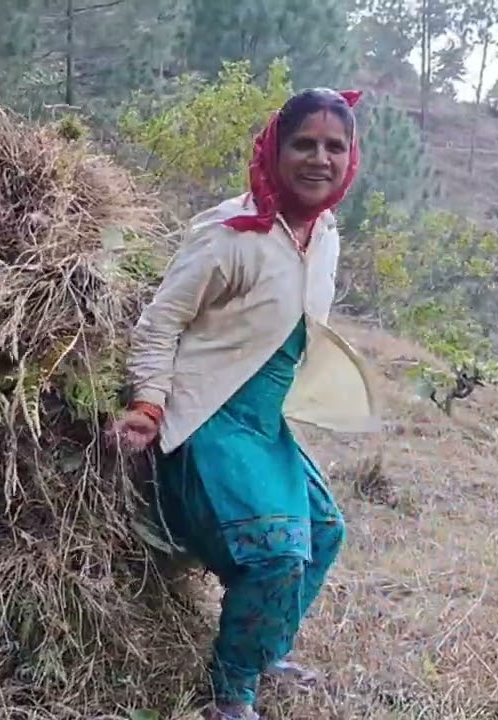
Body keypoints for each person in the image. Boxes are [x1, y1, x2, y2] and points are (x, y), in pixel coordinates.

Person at [112, 89, 379, 720]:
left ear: (351, 158)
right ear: (274, 149)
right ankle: (231, 696)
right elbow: (160, 323)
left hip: (264, 421)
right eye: (303, 144)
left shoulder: (326, 233)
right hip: (209, 418)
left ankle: (264, 651)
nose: (320, 159)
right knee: (276, 556)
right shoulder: (231, 232)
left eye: (334, 147)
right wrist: (148, 406)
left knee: (325, 532)